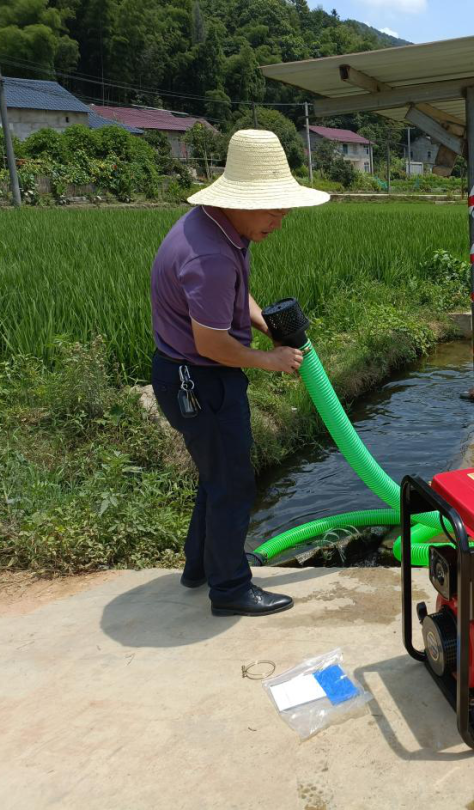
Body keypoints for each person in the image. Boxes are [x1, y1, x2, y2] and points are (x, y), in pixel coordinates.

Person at [150, 129, 330, 617]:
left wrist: (264, 325)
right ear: (239, 200)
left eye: (282, 205)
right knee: (231, 483)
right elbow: (211, 342)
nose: (281, 217)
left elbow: (235, 297)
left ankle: (204, 566)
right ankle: (229, 589)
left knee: (216, 477)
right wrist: (269, 360)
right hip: (201, 379)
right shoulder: (209, 255)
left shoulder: (221, 228)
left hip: (193, 374)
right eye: (270, 206)